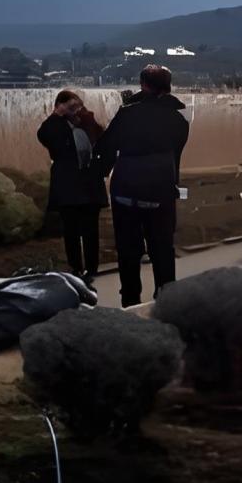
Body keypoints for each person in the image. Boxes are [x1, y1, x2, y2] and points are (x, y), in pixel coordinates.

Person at [98, 64, 189, 307]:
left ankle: (130, 300)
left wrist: (102, 170)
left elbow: (106, 147)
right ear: (168, 86)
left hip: (125, 190)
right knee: (162, 249)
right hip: (160, 190)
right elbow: (175, 156)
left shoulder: (127, 114)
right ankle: (167, 299)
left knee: (128, 251)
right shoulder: (178, 121)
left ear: (143, 84)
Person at [37, 90, 108, 284]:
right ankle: (76, 267)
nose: (74, 110)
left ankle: (92, 267)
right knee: (71, 229)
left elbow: (102, 139)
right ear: (59, 105)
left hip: (89, 183)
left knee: (91, 228)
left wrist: (84, 115)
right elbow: (43, 136)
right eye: (70, 107)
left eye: (77, 106)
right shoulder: (54, 126)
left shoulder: (87, 122)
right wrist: (57, 115)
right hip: (68, 183)